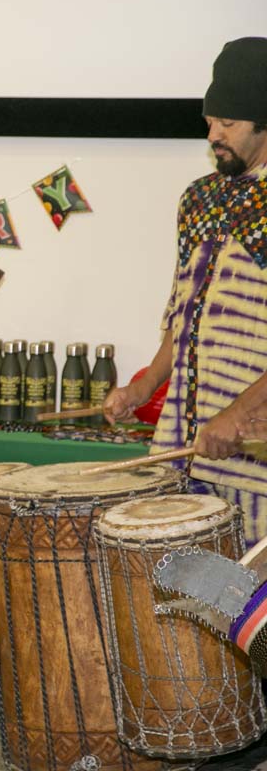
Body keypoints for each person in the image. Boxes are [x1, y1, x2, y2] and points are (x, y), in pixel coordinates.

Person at [105, 37, 267, 541]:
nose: (214, 135)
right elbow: (184, 319)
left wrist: (238, 417)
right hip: (189, 438)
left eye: (229, 124)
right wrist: (144, 386)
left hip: (255, 446)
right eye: (209, 122)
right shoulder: (199, 199)